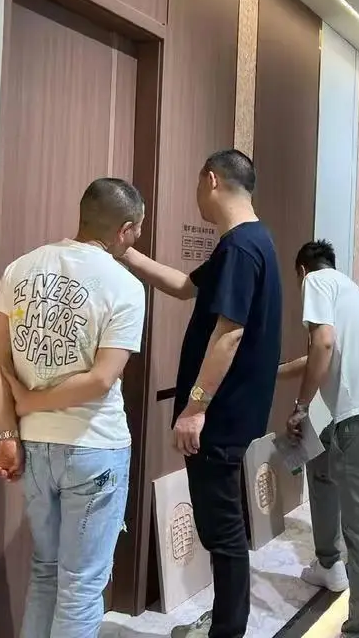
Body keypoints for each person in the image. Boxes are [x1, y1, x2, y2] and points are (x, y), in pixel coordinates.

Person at [121, 150, 282, 638]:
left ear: (210, 180)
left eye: (196, 184)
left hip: (220, 416)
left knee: (223, 530)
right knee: (222, 526)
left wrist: (194, 408)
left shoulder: (240, 248)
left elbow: (229, 334)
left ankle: (227, 629)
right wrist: (123, 252)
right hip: (231, 414)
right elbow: (182, 286)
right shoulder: (249, 242)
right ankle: (227, 620)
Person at [0, 178, 147, 638]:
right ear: (126, 229)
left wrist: (7, 431)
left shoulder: (21, 268)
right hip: (95, 446)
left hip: (34, 444)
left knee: (45, 571)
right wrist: (33, 401)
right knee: (81, 586)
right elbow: (101, 379)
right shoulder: (125, 285)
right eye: (138, 229)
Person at [279, 240, 359, 638]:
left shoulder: (314, 282)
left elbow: (324, 343)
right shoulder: (349, 289)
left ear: (302, 271)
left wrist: (300, 405)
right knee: (321, 459)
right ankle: (329, 562)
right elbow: (324, 352)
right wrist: (274, 372)